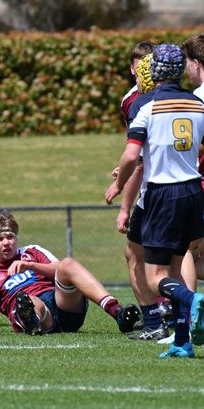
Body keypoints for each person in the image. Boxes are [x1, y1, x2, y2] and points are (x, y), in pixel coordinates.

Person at [105, 43, 204, 358]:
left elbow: (132, 155)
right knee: (176, 267)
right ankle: (182, 342)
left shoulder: (146, 107)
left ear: (155, 71)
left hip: (163, 194)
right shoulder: (197, 104)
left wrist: (118, 186)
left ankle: (194, 301)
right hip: (193, 191)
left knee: (157, 276)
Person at [0, 213, 141, 336]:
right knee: (27, 300)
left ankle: (117, 312)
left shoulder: (32, 252)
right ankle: (30, 321)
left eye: (10, 237)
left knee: (68, 264)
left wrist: (31, 266)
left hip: (62, 304)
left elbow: (60, 270)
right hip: (36, 311)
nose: (6, 243)